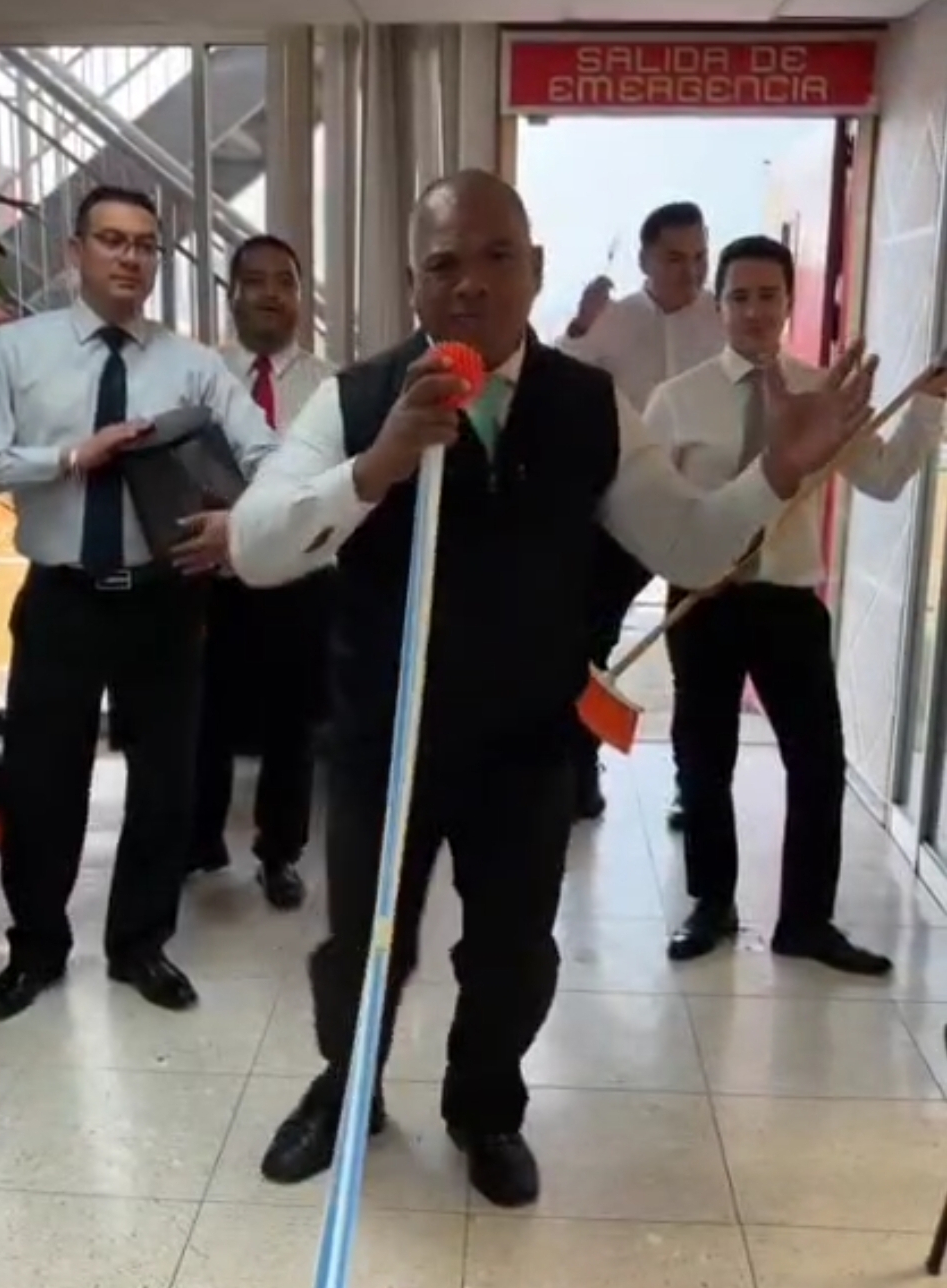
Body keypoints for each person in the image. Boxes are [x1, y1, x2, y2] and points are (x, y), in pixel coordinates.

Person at [213, 169, 875, 1209]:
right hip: (385, 737)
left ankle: (486, 1108)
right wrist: (376, 465)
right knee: (361, 946)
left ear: (536, 269)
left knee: (514, 951)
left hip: (525, 741)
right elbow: (255, 548)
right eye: (443, 263)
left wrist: (775, 476)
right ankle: (348, 1088)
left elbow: (688, 543)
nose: (470, 283)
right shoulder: (356, 399)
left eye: (496, 258)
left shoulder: (589, 406)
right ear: (414, 282)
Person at [0, 186, 279, 1023]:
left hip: (165, 601)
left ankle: (140, 946)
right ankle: (37, 948)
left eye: (145, 245)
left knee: (166, 783)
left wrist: (237, 524)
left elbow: (269, 455)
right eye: (112, 240)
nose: (130, 257)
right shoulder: (15, 352)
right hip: (63, 600)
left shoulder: (192, 365)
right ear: (74, 252)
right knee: (43, 781)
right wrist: (66, 457)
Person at [648, 234, 947, 976]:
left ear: (789, 302)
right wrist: (684, 561)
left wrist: (926, 409)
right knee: (703, 762)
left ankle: (806, 922)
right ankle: (711, 905)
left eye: (769, 296)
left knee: (816, 764)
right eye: (739, 297)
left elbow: (884, 479)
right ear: (719, 305)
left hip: (788, 603)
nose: (754, 311)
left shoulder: (826, 396)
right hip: (703, 602)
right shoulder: (678, 400)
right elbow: (653, 511)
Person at [560, 202, 726, 825]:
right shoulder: (617, 319)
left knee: (699, 660)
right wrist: (581, 326)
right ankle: (580, 773)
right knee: (590, 643)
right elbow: (562, 373)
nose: (691, 272)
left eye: (700, 257)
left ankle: (694, 786)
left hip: (702, 512)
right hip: (621, 511)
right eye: (675, 258)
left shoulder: (723, 320)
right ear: (645, 260)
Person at [188, 235, 334, 910]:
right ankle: (198, 840)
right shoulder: (201, 377)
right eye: (256, 280)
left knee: (291, 726)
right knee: (204, 715)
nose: (272, 293)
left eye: (286, 281)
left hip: (300, 580)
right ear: (232, 293)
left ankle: (280, 855)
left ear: (301, 296)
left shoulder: (332, 387)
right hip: (210, 576)